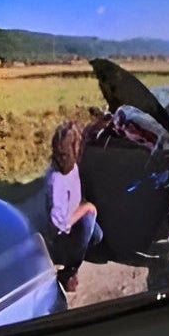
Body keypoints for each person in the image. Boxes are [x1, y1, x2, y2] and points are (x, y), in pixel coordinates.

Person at [43, 119, 101, 292]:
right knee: (89, 218)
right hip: (61, 234)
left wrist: (101, 123)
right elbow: (59, 223)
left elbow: (88, 133)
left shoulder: (70, 165)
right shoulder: (57, 180)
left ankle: (78, 249)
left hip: (72, 218)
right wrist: (86, 208)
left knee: (98, 237)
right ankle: (69, 271)